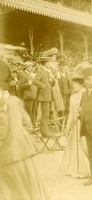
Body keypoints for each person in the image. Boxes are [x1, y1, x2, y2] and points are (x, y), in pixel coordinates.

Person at [0, 58, 50, 200]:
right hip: (24, 154)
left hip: (8, 159)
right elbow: (28, 125)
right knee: (31, 192)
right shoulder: (13, 100)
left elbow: (1, 133)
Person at [60, 75, 90, 178]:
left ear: (81, 85)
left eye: (75, 84)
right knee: (77, 146)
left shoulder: (86, 94)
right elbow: (71, 113)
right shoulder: (72, 97)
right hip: (76, 124)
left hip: (85, 124)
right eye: (72, 85)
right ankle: (79, 168)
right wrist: (68, 126)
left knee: (85, 146)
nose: (73, 86)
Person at [33, 56, 56, 137]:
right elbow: (35, 81)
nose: (50, 63)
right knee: (45, 115)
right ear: (46, 63)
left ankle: (45, 130)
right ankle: (44, 132)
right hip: (44, 96)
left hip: (48, 95)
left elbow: (52, 84)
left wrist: (52, 79)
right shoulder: (40, 71)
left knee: (46, 114)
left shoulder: (47, 71)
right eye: (49, 62)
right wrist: (44, 86)